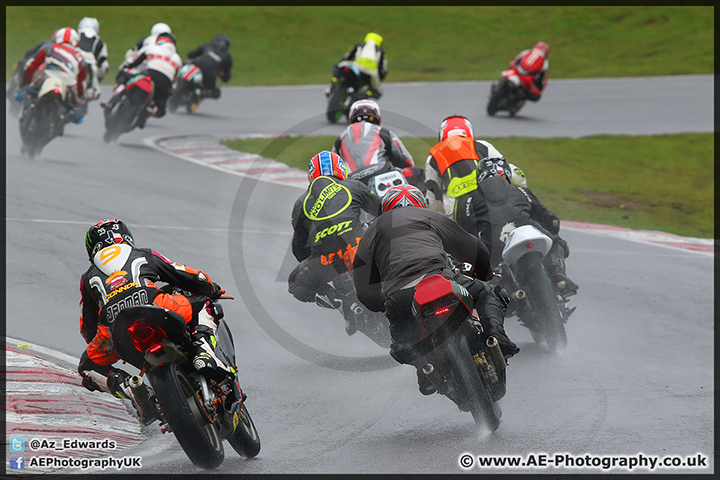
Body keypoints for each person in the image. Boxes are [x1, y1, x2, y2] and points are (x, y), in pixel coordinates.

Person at [352, 185, 519, 394]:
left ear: (386, 208)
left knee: (402, 347)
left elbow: (362, 284)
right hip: (439, 278)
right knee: (491, 293)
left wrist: (381, 304)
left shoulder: (372, 230)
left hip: (399, 296)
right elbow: (473, 248)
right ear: (420, 204)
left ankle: (425, 371)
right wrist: (483, 275)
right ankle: (497, 336)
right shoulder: (429, 216)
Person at [77, 219, 234, 416]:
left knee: (86, 367)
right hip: (156, 306)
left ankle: (132, 390)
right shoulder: (142, 254)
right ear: (127, 237)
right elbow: (187, 274)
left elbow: (87, 327)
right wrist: (210, 287)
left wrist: (101, 342)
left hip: (116, 329)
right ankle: (203, 352)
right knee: (203, 304)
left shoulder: (88, 277)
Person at [288, 151, 382, 334]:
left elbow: (299, 250)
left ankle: (341, 301)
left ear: (311, 174)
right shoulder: (354, 186)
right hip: (359, 247)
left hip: (327, 261)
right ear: (341, 170)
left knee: (294, 282)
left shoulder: (300, 203)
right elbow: (381, 210)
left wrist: (318, 257)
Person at [455, 157, 578, 296]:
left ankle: (508, 290)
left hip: (494, 244)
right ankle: (558, 274)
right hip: (527, 231)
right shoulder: (521, 191)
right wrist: (551, 229)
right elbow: (549, 219)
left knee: (483, 269)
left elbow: (463, 231)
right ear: (507, 174)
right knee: (557, 243)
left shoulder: (467, 200)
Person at [331, 99, 426, 192]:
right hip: (381, 174)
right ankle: (419, 204)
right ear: (377, 116)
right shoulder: (382, 131)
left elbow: (334, 166)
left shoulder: (340, 138)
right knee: (417, 173)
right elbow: (404, 159)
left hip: (353, 183)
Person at [424, 115, 508, 217]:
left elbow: (433, 197)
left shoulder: (434, 156)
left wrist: (440, 222)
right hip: (489, 204)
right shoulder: (484, 146)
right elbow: (510, 171)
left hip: (456, 212)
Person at [103, 32, 181, 126]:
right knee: (161, 108)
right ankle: (150, 111)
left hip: (149, 74)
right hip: (165, 83)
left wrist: (127, 68)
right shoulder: (178, 59)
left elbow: (134, 62)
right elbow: (175, 80)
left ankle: (113, 100)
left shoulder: (151, 48)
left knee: (124, 75)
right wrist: (168, 92)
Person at [16, 27, 91, 124]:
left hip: (48, 78)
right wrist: (79, 97)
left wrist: (25, 82)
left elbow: (31, 66)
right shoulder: (81, 58)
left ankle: (28, 104)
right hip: (68, 85)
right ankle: (66, 118)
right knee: (78, 110)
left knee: (22, 92)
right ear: (76, 42)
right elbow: (80, 83)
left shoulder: (49, 47)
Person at [330, 32, 388, 98]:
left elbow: (347, 57)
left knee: (339, 66)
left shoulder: (359, 46)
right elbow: (383, 69)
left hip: (356, 67)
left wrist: (340, 64)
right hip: (371, 72)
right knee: (378, 92)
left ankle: (333, 84)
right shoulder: (381, 52)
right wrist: (380, 79)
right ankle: (366, 94)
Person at [184, 34, 233, 99]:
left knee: (183, 64)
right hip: (210, 73)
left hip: (196, 63)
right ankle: (200, 94)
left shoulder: (207, 45)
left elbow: (191, 54)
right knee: (215, 93)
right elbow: (226, 77)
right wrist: (221, 75)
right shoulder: (228, 56)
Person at [76, 17, 109, 103]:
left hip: (72, 63)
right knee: (90, 94)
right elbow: (104, 67)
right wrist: (97, 79)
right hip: (90, 69)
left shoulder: (74, 35)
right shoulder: (99, 42)